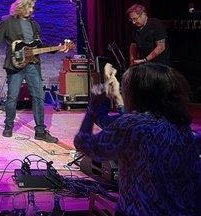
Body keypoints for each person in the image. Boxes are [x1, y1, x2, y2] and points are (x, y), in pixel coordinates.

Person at [74, 63, 200, 216]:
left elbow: (83, 143)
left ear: (137, 94)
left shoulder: (132, 125)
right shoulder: (183, 126)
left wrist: (93, 107)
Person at [0, 0, 68, 142]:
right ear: (22, 5)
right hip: (15, 65)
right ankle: (8, 126)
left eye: (33, 7)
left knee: (39, 96)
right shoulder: (7, 22)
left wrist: (58, 48)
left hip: (33, 65)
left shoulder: (35, 25)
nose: (32, 10)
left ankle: (40, 131)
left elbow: (39, 47)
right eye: (29, 6)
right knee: (12, 97)